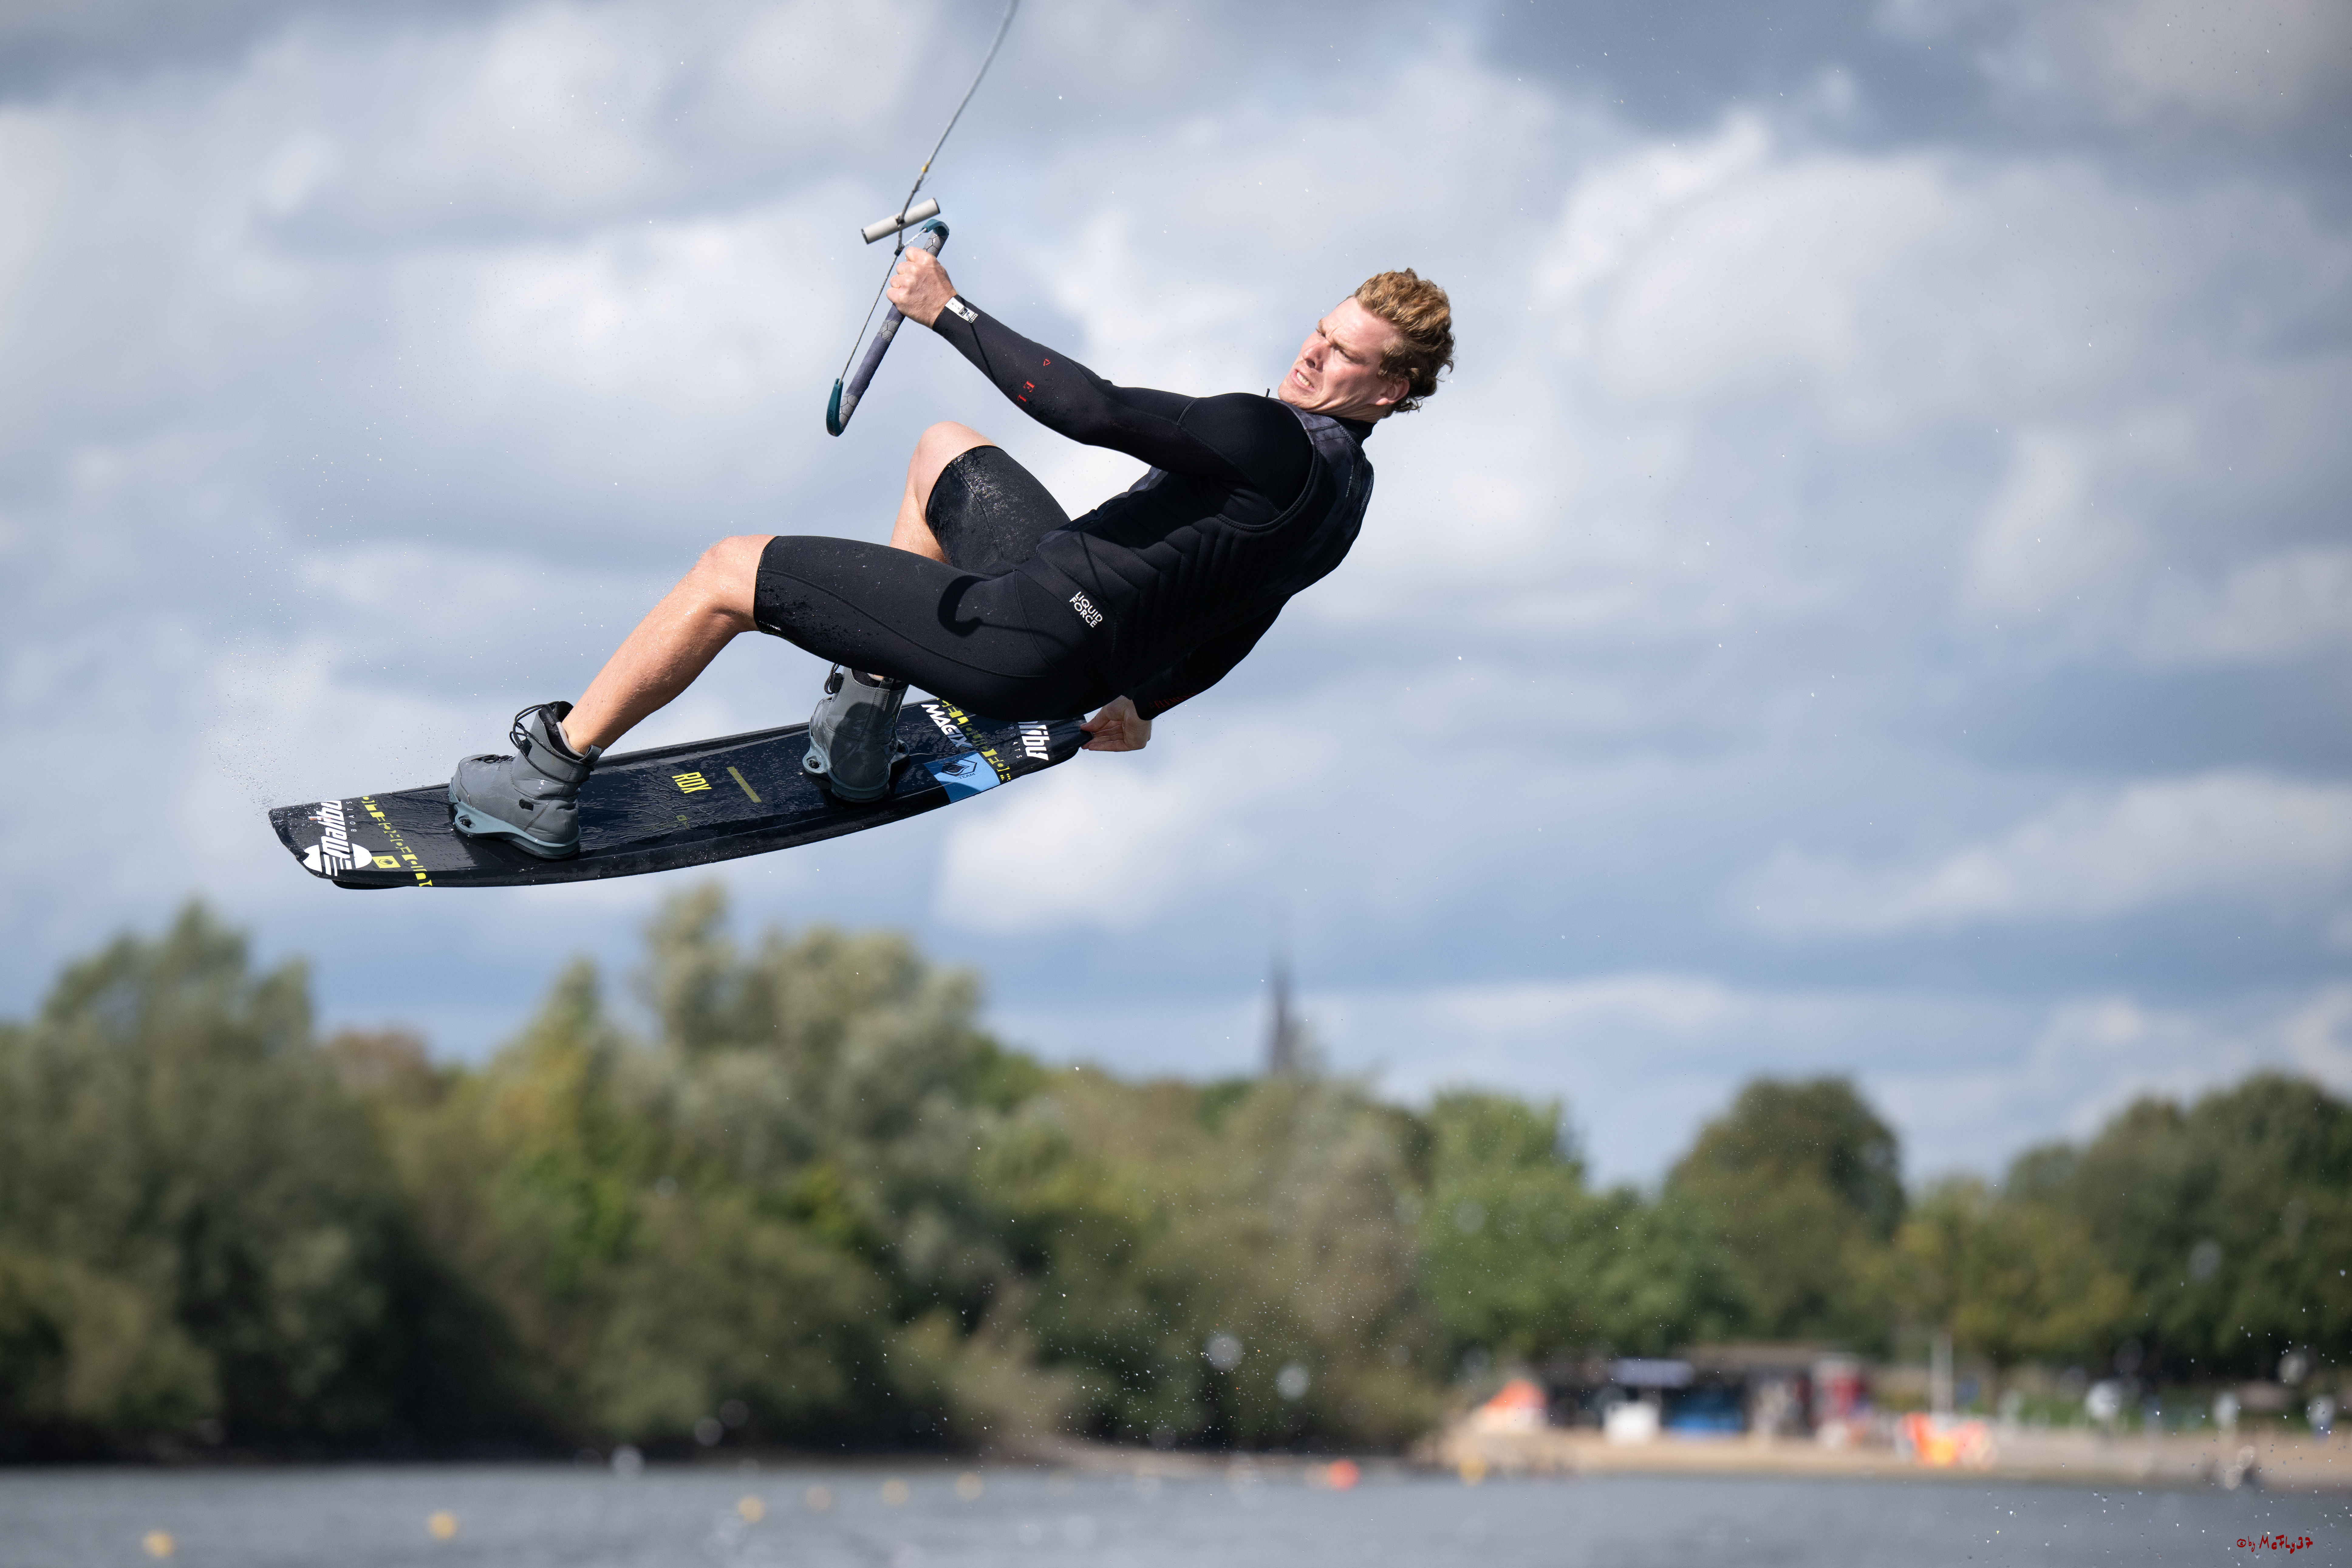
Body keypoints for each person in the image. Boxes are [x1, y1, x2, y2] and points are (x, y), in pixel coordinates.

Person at [448, 251, 1453, 858]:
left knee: (726, 572)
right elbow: (1244, 620)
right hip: (1075, 628)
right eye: (1320, 330)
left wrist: (947, 309)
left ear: (1387, 393)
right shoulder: (1346, 503)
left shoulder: (1267, 435)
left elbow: (1090, 409)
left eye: (1344, 355)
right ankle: (859, 731)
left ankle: (549, 776)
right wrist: (1147, 704)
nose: (1312, 354)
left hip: (1026, 640)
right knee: (943, 452)